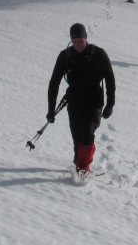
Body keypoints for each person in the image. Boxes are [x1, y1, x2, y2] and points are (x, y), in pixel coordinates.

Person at [47, 22, 115, 178]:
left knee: (87, 132)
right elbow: (54, 83)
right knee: (77, 136)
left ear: (86, 38)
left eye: (81, 40)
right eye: (74, 41)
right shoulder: (65, 56)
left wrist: (110, 104)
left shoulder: (98, 54)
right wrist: (51, 109)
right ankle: (79, 161)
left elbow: (110, 79)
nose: (78, 44)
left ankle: (83, 168)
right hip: (74, 100)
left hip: (94, 100)